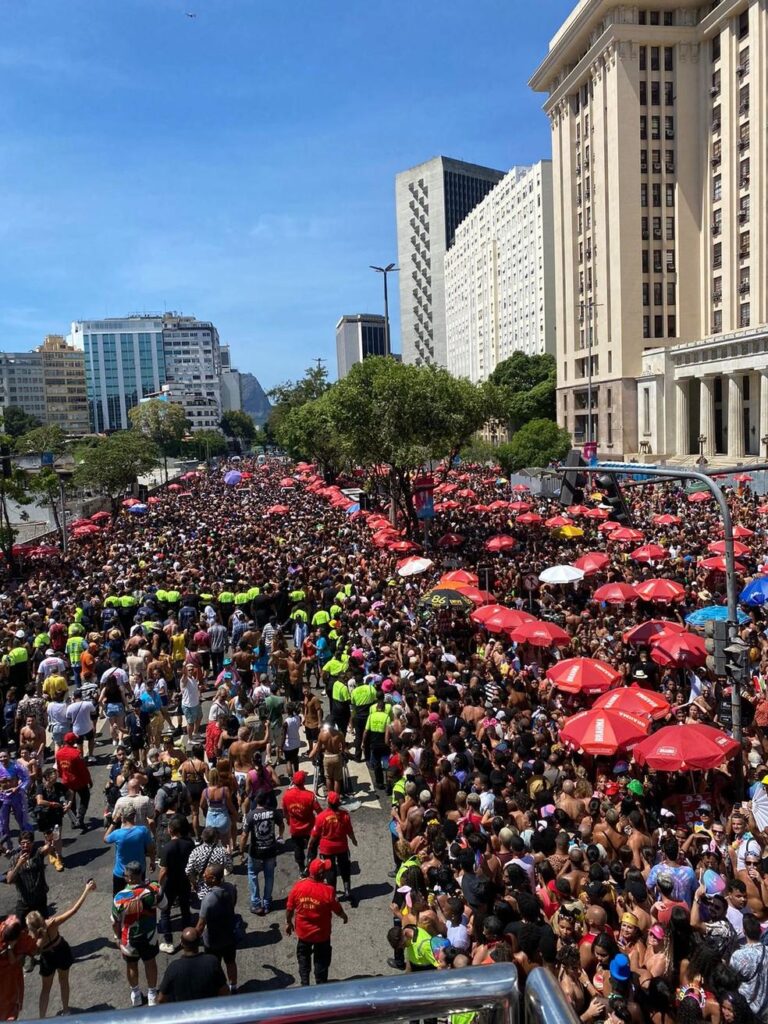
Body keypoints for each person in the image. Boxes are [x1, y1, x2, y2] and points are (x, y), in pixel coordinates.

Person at [26, 879, 96, 1018]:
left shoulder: (32, 937)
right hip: (62, 951)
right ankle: (66, 1011)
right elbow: (73, 910)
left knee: (45, 989)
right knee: (64, 982)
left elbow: (33, 952)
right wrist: (86, 890)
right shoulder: (52, 923)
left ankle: (42, 1018)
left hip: (47, 958)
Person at [285, 857, 348, 986]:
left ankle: (305, 983)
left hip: (303, 933)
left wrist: (288, 922)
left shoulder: (298, 887)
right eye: (325, 870)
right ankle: (320, 985)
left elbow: (289, 908)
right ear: (321, 874)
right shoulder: (328, 891)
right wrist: (344, 916)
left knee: (303, 958)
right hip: (322, 934)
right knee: (321, 961)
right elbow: (337, 909)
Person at [112, 860, 166, 1007]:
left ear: (130, 878)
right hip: (150, 936)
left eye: (125, 875)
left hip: (128, 939)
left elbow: (115, 922)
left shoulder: (119, 897)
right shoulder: (154, 889)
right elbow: (164, 905)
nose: (124, 877)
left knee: (131, 965)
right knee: (150, 963)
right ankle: (152, 994)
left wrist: (117, 938)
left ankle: (135, 994)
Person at [308, 791, 358, 907]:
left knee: (330, 871)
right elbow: (349, 831)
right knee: (345, 867)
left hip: (327, 848)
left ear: (328, 803)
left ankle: (333, 894)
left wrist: (310, 845)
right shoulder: (344, 815)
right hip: (341, 846)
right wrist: (354, 841)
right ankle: (347, 890)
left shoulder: (321, 817)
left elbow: (314, 835)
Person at [195, 863, 239, 994]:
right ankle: (233, 987)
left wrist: (192, 938)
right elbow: (234, 903)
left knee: (214, 966)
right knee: (231, 961)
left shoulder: (208, 899)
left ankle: (217, 988)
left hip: (213, 939)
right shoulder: (231, 888)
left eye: (206, 876)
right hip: (229, 934)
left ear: (213, 879)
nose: (203, 878)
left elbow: (201, 925)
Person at [241, 790, 285, 915]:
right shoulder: (273, 812)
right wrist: (280, 836)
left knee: (252, 874)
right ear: (266, 800)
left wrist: (241, 851)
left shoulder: (251, 815)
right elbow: (282, 824)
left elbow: (244, 835)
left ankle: (256, 903)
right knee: (269, 876)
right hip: (270, 850)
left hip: (255, 852)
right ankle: (267, 903)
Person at [156, 927, 228, 1003]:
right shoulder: (212, 962)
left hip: (185, 1011)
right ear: (199, 942)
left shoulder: (173, 967)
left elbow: (161, 999)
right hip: (208, 1009)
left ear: (182, 944)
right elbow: (224, 991)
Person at [158, 814, 194, 954]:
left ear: (171, 830)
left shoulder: (167, 848)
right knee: (185, 909)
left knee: (165, 912)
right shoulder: (190, 843)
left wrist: (159, 885)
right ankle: (186, 938)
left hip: (169, 884)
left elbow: (163, 871)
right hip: (184, 881)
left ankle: (168, 942)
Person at [104, 806, 156, 894]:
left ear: (122, 817)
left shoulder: (117, 834)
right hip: (138, 872)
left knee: (119, 899)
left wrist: (114, 821)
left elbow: (105, 839)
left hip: (121, 873)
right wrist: (152, 862)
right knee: (138, 897)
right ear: (134, 816)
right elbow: (150, 849)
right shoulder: (143, 831)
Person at [282, 771, 321, 875]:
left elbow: (285, 812)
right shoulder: (310, 796)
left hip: (295, 828)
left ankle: (301, 867)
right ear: (304, 781)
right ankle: (309, 866)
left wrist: (288, 821)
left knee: (298, 848)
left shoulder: (286, 795)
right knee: (312, 847)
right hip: (310, 828)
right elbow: (319, 812)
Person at [5, 831, 52, 919]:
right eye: (23, 843)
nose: (25, 846)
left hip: (40, 898)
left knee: (44, 924)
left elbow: (48, 848)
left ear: (33, 843)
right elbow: (9, 880)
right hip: (24, 900)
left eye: (28, 843)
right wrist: (19, 864)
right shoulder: (14, 859)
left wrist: (49, 840)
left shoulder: (37, 853)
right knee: (19, 926)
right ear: (19, 844)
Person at [0, 916, 38, 1020]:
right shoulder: (18, 937)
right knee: (9, 1010)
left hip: (10, 981)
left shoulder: (19, 938)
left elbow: (33, 949)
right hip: (9, 981)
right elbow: (34, 949)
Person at [55, 732, 92, 831]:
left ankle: (73, 820)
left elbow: (59, 768)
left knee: (71, 801)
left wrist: (61, 777)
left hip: (66, 781)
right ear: (73, 741)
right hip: (78, 781)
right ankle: (80, 818)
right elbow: (83, 770)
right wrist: (89, 780)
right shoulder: (76, 754)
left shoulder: (59, 753)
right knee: (85, 797)